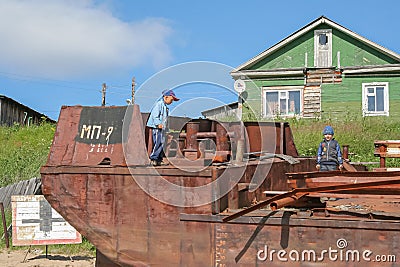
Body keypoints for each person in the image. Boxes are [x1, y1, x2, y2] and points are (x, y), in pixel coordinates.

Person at [146, 89, 179, 166]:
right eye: (171, 99)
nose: (172, 102)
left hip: (162, 128)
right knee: (158, 142)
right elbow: (155, 115)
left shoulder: (165, 107)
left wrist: (166, 127)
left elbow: (165, 120)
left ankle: (159, 159)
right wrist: (158, 124)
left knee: (162, 143)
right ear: (166, 97)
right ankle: (153, 158)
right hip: (157, 128)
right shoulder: (159, 104)